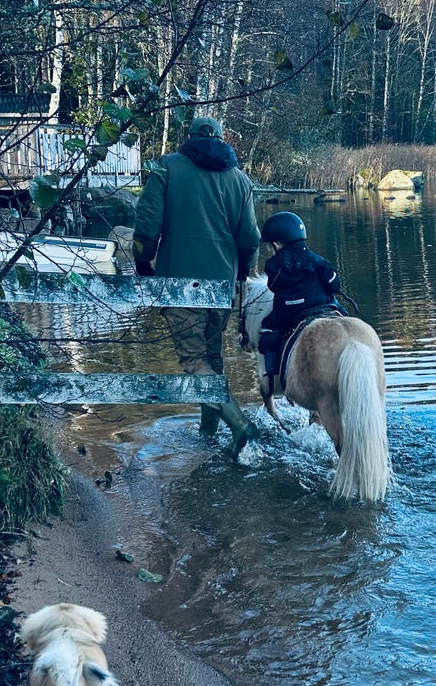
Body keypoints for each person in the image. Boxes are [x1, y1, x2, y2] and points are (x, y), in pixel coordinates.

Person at [133, 116, 260, 452]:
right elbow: (249, 237)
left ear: (187, 137)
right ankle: (208, 436)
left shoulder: (167, 168)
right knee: (212, 360)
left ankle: (239, 423)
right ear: (221, 138)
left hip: (179, 281)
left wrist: (143, 262)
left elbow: (147, 224)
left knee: (193, 361)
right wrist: (242, 273)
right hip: (221, 284)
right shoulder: (240, 180)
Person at [257, 211, 342, 393]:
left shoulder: (272, 266)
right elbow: (334, 285)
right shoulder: (319, 261)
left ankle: (272, 375)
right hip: (321, 306)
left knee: (267, 329)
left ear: (277, 244)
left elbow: (272, 287)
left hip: (288, 314)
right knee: (343, 315)